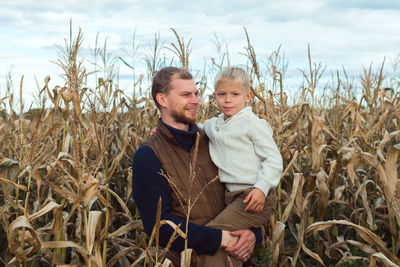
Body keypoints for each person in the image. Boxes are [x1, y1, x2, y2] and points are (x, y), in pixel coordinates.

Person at [132, 67, 262, 267]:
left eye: (195, 94)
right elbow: (160, 228)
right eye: (186, 95)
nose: (195, 101)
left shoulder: (215, 140)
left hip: (236, 259)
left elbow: (245, 191)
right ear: (162, 99)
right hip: (187, 262)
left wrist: (253, 234)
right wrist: (221, 239)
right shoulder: (148, 155)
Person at [198, 66, 283, 265]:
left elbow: (274, 160)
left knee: (212, 235)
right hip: (232, 196)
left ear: (248, 96)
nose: (228, 100)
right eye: (222, 94)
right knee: (232, 240)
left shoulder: (253, 124)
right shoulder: (214, 125)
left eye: (235, 94)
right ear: (214, 96)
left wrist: (261, 188)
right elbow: (195, 130)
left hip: (253, 197)